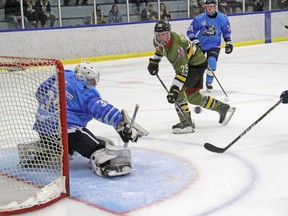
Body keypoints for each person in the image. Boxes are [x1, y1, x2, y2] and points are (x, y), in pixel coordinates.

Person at [19, 61, 148, 177]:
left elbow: (40, 92)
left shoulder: (61, 75)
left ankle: (52, 148)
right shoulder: (84, 90)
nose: (93, 84)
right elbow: (101, 109)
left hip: (43, 129)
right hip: (66, 132)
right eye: (91, 80)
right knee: (99, 147)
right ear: (82, 77)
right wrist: (120, 122)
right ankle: (105, 164)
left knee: (68, 141)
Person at [147, 21, 236, 134]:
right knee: (193, 97)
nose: (160, 38)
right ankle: (222, 108)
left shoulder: (176, 48)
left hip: (196, 65)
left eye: (163, 34)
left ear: (168, 34)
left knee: (178, 92)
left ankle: (186, 123)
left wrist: (174, 90)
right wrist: (154, 61)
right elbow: (160, 49)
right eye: (158, 35)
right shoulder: (157, 41)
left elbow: (182, 72)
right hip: (193, 62)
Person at [186, 0, 233, 92]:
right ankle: (195, 84)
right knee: (197, 65)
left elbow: (226, 31)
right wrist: (195, 40)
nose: (209, 8)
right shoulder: (199, 18)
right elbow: (190, 31)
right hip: (200, 45)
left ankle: (209, 82)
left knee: (212, 62)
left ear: (215, 7)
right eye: (207, 6)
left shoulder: (222, 18)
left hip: (214, 45)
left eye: (211, 6)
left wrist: (228, 42)